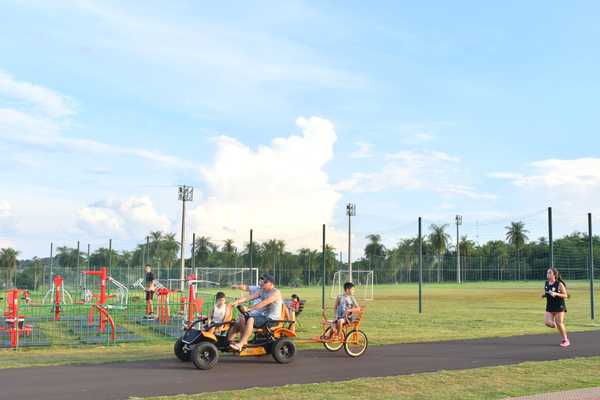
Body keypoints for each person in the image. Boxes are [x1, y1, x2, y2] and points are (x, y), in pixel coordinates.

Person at [228, 273, 282, 351]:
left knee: (251, 319)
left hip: (273, 319)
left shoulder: (276, 292)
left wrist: (249, 309)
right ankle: (230, 342)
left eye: (265, 281)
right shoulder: (262, 290)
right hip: (264, 317)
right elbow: (249, 297)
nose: (262, 282)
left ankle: (241, 343)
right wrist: (236, 302)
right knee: (241, 318)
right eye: (263, 281)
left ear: (270, 283)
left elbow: (264, 303)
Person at [542, 266, 570, 347]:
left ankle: (565, 340)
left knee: (559, 323)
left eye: (550, 273)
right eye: (547, 272)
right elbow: (548, 292)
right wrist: (544, 295)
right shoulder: (546, 283)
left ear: (554, 275)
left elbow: (565, 295)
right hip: (550, 306)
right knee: (547, 322)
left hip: (559, 306)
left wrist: (556, 294)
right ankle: (556, 325)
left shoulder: (559, 284)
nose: (548, 274)